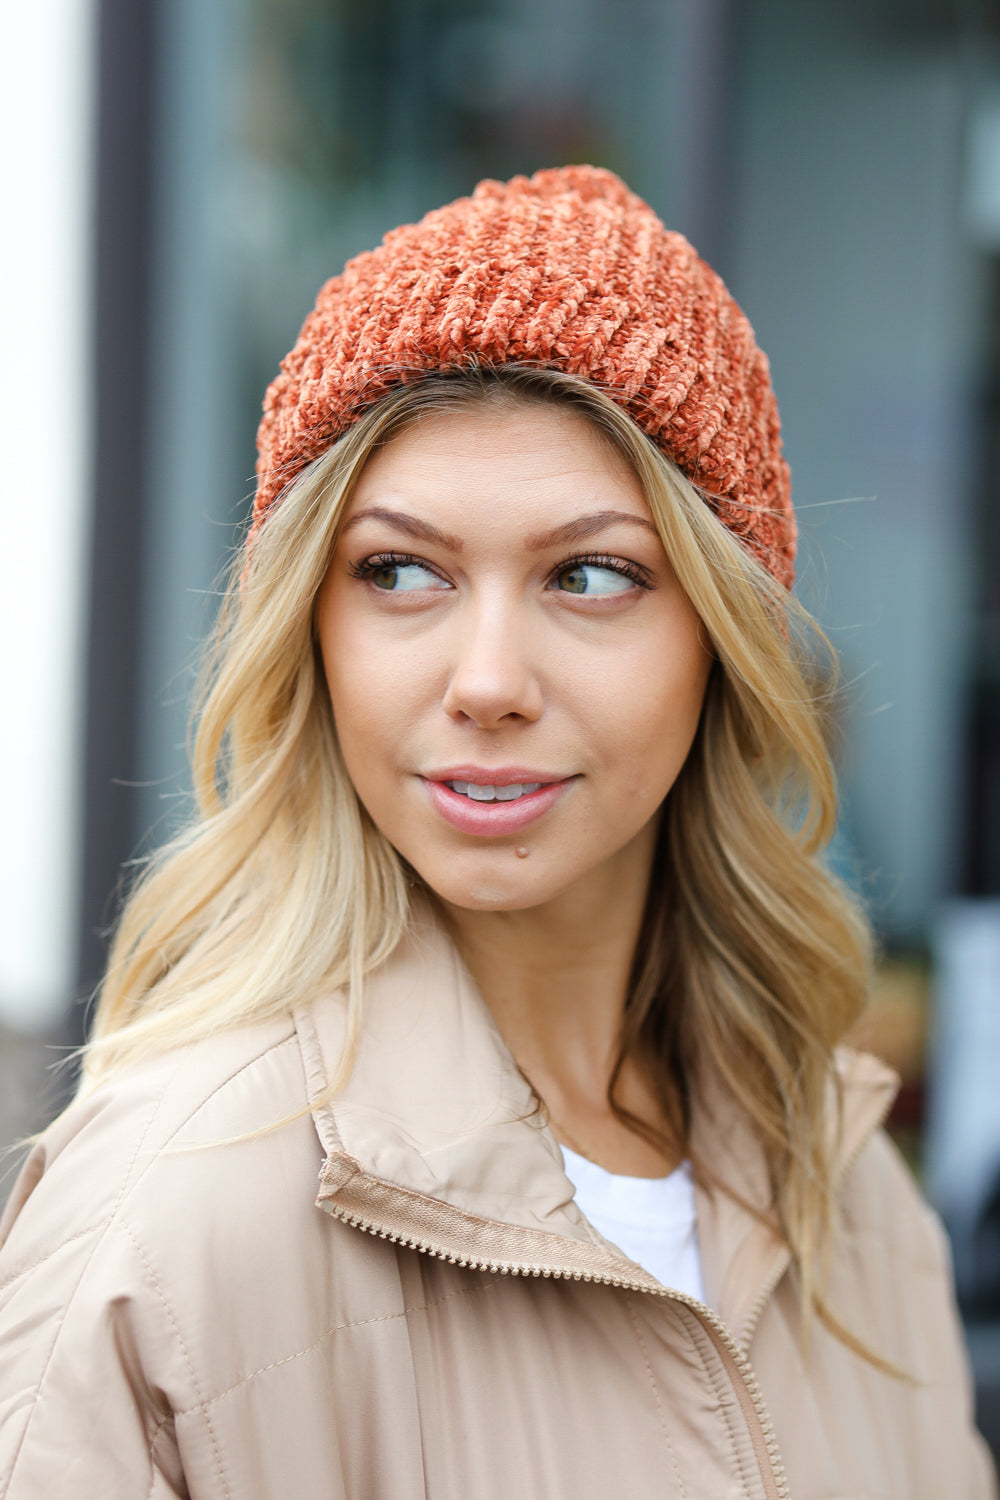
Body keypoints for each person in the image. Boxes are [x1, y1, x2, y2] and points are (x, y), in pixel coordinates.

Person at [0, 166, 993, 1499]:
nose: (485, 679)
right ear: (314, 628)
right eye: (400, 572)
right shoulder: (165, 1221)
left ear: (722, 642)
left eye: (591, 575)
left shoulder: (844, 1189)